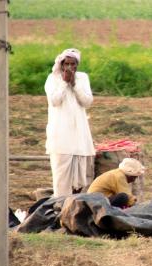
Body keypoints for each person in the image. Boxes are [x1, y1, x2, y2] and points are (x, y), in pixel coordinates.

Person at [45, 48, 95, 197]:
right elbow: (54, 101)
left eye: (73, 64)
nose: (70, 67)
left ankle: (74, 210)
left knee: (79, 183)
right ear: (61, 64)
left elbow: (87, 102)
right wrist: (64, 83)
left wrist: (74, 84)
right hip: (61, 138)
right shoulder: (52, 79)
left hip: (80, 137)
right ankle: (60, 209)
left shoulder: (82, 78)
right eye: (66, 64)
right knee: (61, 181)